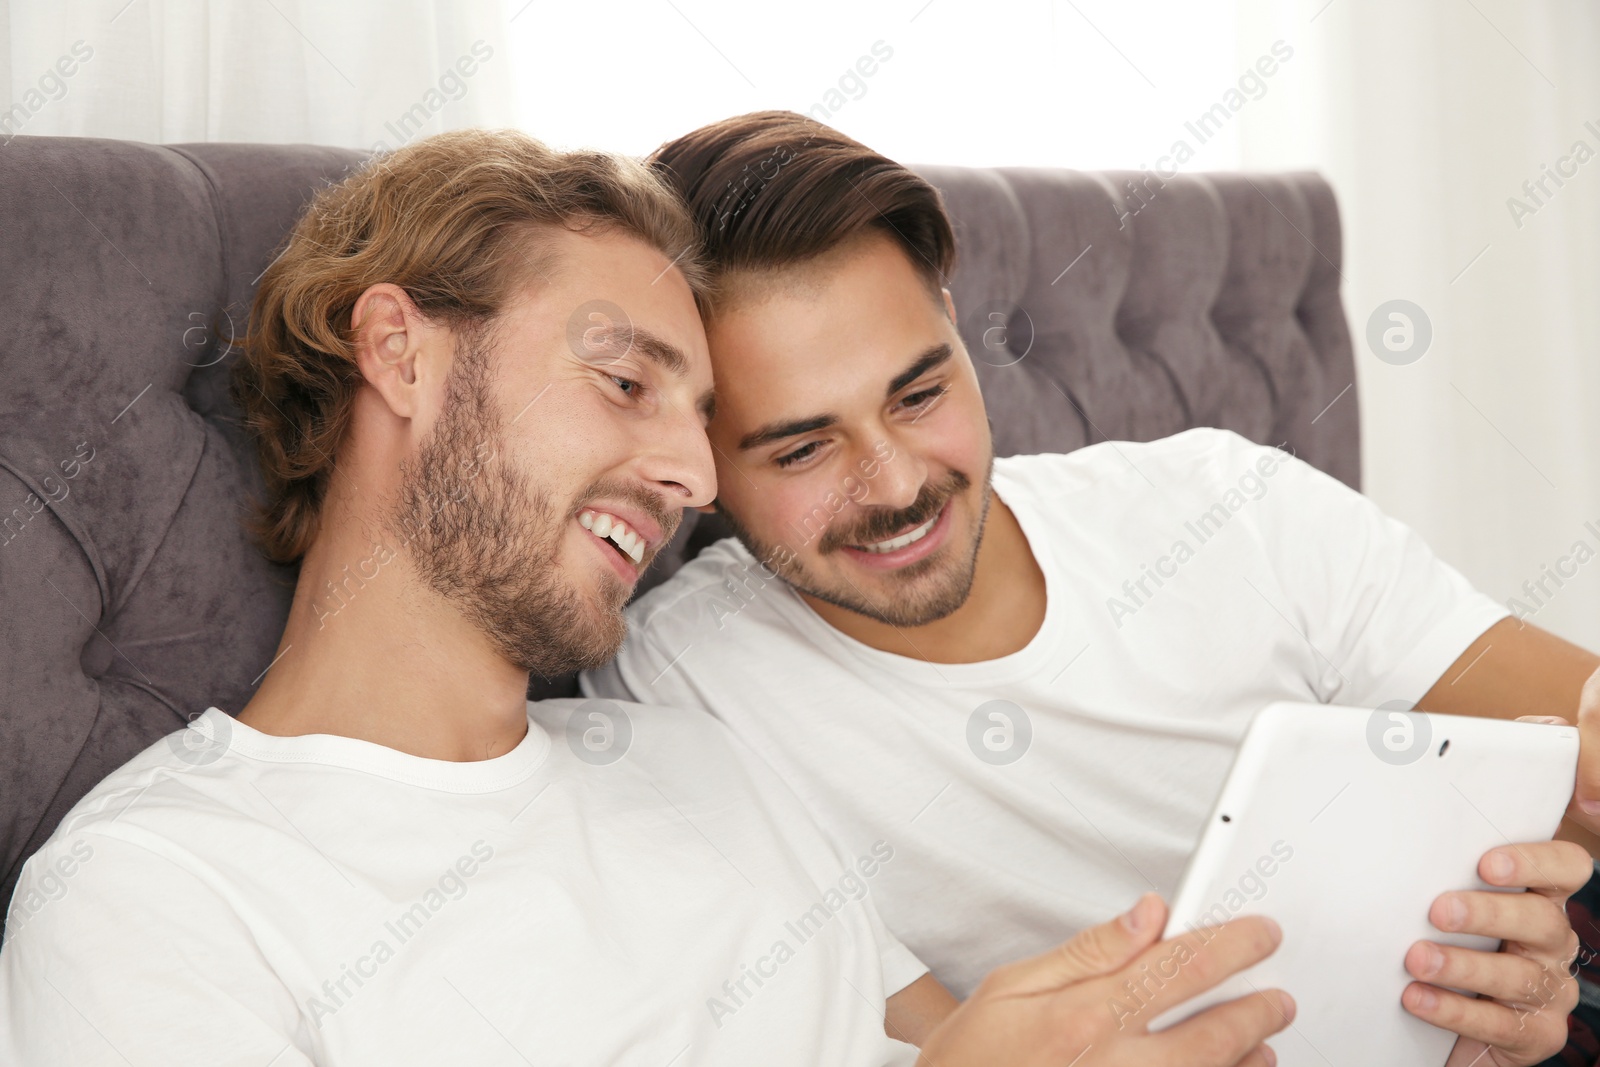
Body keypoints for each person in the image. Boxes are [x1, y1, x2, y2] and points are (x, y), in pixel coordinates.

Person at [0, 129, 1301, 1067]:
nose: (688, 473)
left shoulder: (699, 758)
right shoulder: (157, 895)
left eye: (704, 420)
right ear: (400, 349)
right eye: (625, 381)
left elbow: (940, 1043)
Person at [584, 111, 1594, 1066]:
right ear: (698, 444)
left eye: (921, 392)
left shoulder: (1231, 507)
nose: (894, 486)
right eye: (803, 447)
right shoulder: (679, 694)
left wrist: (1501, 975)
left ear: (947, 318)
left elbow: (1579, 767)